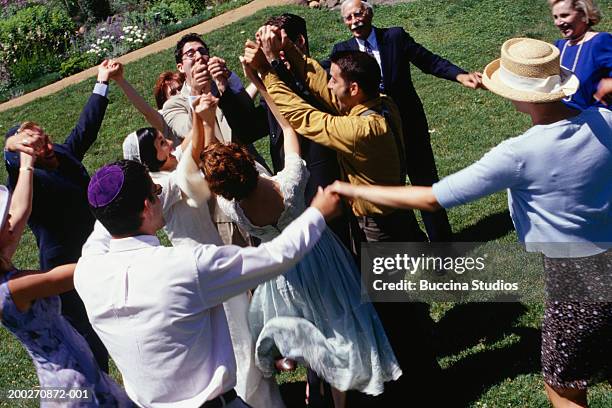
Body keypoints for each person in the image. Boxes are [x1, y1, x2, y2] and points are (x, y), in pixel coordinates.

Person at [329, 37, 612, 408]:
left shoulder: (518, 154)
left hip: (575, 280)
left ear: (518, 94)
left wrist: (357, 192)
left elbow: (432, 197)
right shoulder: (604, 119)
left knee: (562, 385)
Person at [202, 59, 402, 408]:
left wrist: (207, 123)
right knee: (337, 324)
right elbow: (290, 129)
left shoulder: (233, 207)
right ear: (247, 162)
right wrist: (262, 85)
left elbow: (218, 169)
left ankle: (310, 379)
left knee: (307, 330)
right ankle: (341, 398)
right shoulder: (287, 186)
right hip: (320, 256)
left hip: (281, 274)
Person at [74, 159, 341, 408]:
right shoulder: (184, 267)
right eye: (156, 190)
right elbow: (273, 257)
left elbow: (101, 229)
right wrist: (316, 215)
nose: (160, 193)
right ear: (147, 206)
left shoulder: (87, 270)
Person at [101, 60, 284, 408]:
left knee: (244, 332)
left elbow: (184, 144)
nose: (168, 144)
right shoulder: (163, 187)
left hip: (215, 257)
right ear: (149, 159)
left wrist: (203, 114)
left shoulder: (172, 167)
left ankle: (263, 394)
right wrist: (201, 120)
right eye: (159, 144)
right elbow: (189, 154)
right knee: (238, 340)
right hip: (199, 266)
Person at [330, 0, 483, 243]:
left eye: (357, 15)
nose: (354, 22)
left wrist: (460, 75)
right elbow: (326, 83)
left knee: (425, 184)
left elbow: (428, 61)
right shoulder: (342, 52)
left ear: (369, 14)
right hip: (374, 139)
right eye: (347, 18)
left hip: (409, 126)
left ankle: (442, 249)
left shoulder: (395, 37)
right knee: (391, 197)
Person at [2, 61, 117, 371]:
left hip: (101, 253)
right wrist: (12, 144)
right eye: (38, 146)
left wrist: (102, 82)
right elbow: (13, 165)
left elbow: (85, 129)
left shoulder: (62, 155)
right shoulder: (30, 183)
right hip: (66, 269)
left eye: (46, 138)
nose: (48, 147)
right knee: (91, 348)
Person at [0, 149, 132, 407]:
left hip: (78, 372)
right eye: (4, 220)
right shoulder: (12, 288)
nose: (10, 220)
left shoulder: (2, 265)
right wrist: (116, 230)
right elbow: (76, 274)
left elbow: (22, 208)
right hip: (74, 388)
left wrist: (26, 164)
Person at [161, 32, 267, 246]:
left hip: (255, 179)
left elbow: (249, 123)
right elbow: (188, 131)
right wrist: (197, 93)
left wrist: (225, 84)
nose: (199, 56)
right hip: (221, 199)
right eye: (190, 53)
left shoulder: (224, 84)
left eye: (202, 51)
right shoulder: (173, 105)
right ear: (181, 67)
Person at [548, 0, 612, 109]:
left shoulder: (600, 41)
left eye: (564, 15)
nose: (558, 22)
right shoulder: (560, 46)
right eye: (555, 17)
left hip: (594, 117)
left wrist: (609, 84)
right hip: (563, 116)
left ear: (584, 14)